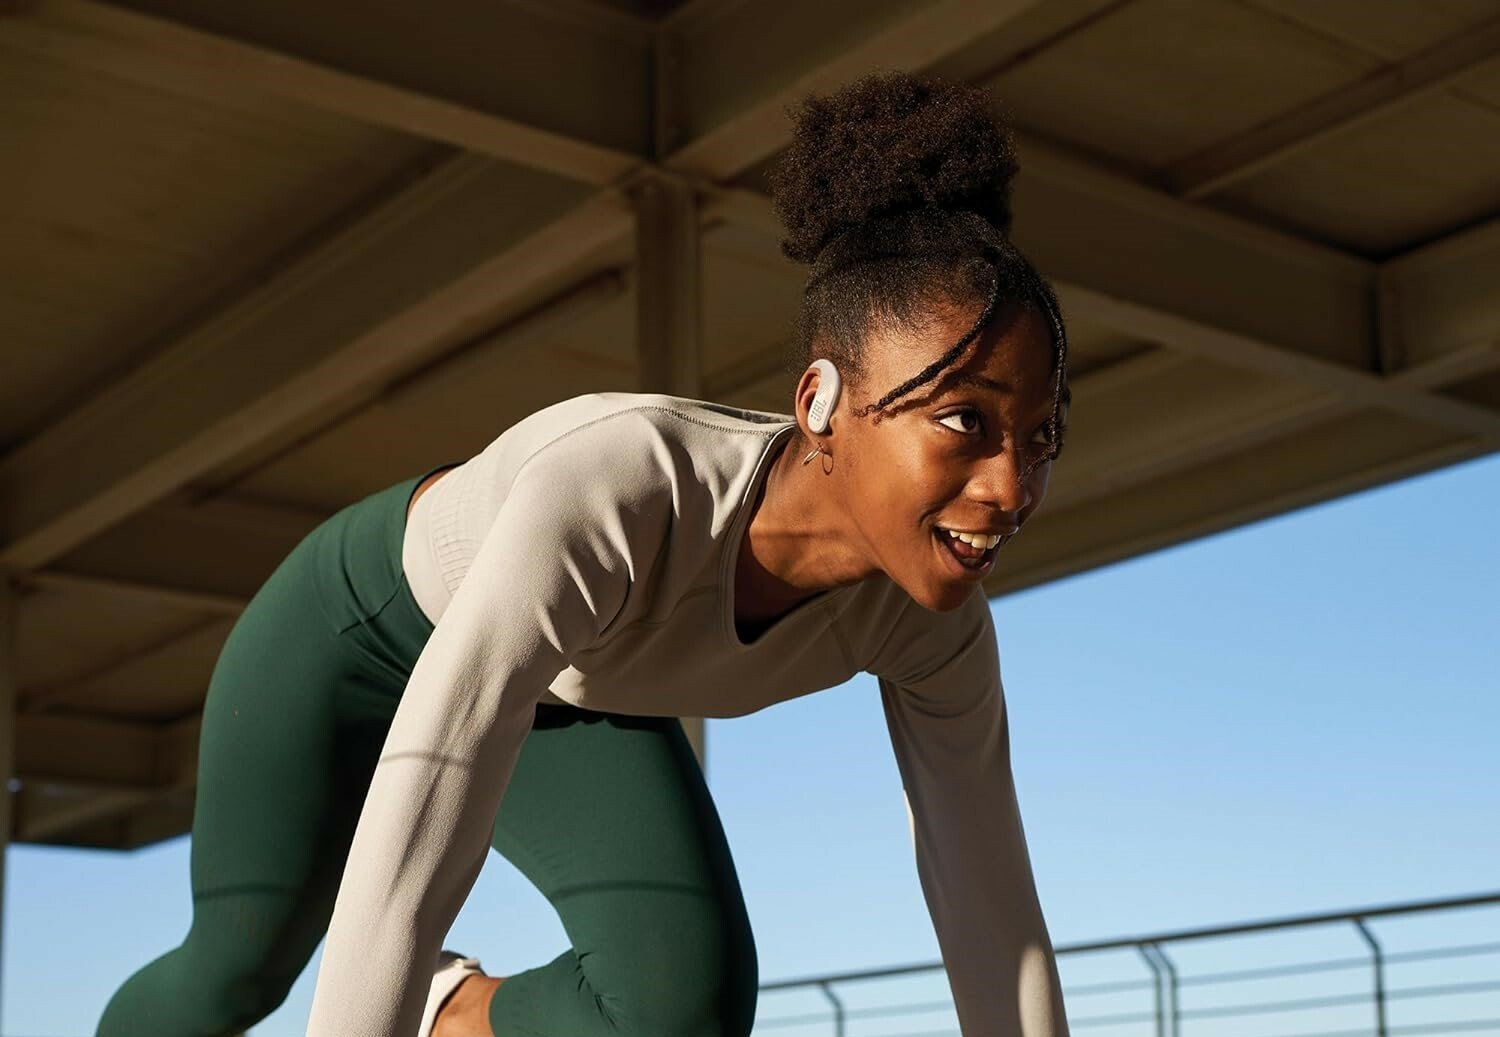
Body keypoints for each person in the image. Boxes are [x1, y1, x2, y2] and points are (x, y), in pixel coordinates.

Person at [96, 71, 1072, 1037]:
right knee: (238, 967)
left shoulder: (929, 629)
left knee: (680, 1000)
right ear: (818, 400)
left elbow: (989, 902)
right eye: (963, 418)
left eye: (1038, 439)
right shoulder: (625, 482)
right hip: (358, 634)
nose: (1010, 487)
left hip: (562, 688)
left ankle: (454, 1013)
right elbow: (436, 793)